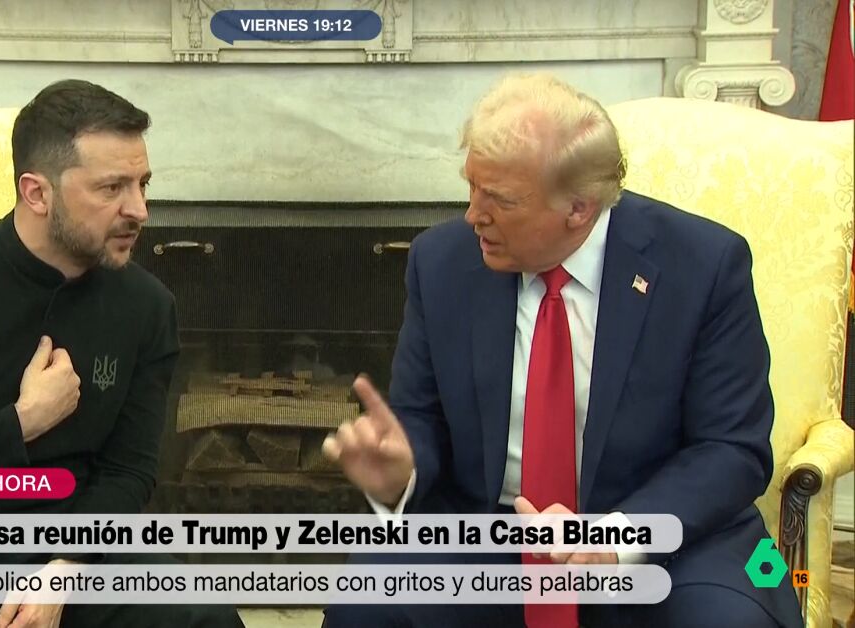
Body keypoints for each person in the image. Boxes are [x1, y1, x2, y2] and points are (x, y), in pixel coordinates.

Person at [322, 74, 803, 628]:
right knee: (366, 608)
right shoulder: (441, 262)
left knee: (735, 619)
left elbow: (732, 449)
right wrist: (404, 470)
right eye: (472, 186)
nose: (474, 214)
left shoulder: (704, 265)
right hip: (487, 531)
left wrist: (616, 537)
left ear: (579, 208)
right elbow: (421, 418)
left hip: (671, 536)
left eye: (501, 199)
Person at [0, 79, 243, 628]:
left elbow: (128, 469)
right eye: (112, 188)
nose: (139, 209)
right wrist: (22, 421)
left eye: (142, 184)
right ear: (36, 193)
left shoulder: (147, 307)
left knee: (203, 615)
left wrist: (66, 568)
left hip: (68, 546)